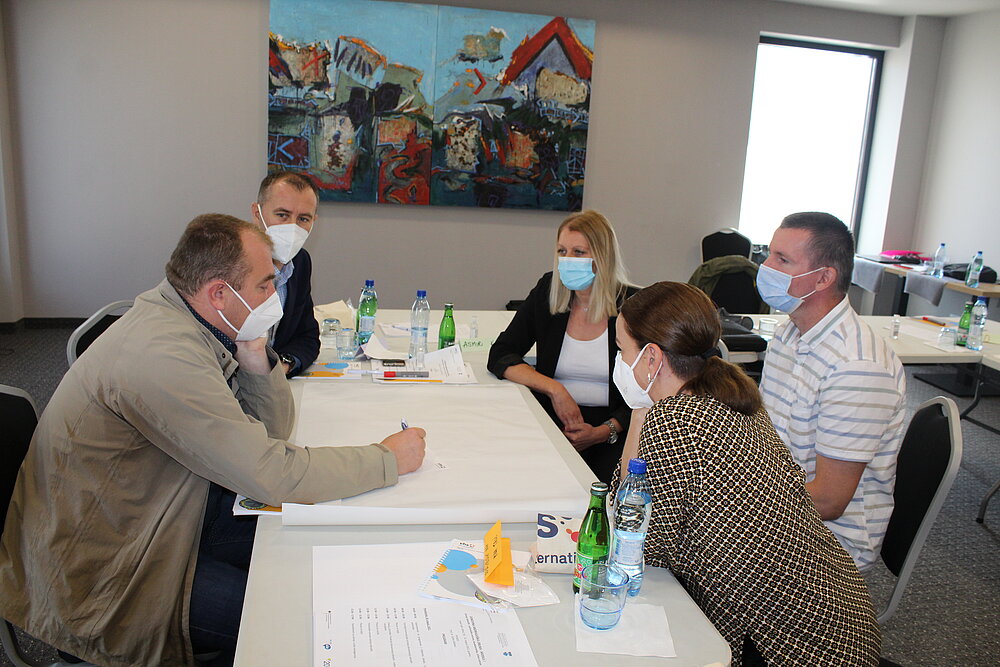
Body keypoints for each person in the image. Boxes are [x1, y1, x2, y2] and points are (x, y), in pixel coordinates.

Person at [0, 214, 426, 667]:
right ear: (219, 293)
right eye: (264, 285)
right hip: (110, 573)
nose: (273, 298)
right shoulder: (162, 354)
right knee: (299, 618)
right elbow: (271, 472)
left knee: (318, 537)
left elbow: (271, 433)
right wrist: (386, 459)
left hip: (161, 516)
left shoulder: (191, 321)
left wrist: (255, 351)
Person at [612, 281, 880, 666]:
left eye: (622, 349)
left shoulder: (675, 422)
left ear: (652, 357)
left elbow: (637, 546)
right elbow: (637, 501)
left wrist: (642, 412)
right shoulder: (731, 394)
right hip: (837, 612)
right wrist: (642, 406)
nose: (620, 361)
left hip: (787, 644)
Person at [757, 212, 906, 571]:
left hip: (826, 547)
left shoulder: (856, 366)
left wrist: (735, 506)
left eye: (782, 260)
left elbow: (828, 500)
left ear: (824, 278)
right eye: (769, 254)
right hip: (783, 510)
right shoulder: (788, 334)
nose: (766, 268)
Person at [488, 210, 637, 482]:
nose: (567, 260)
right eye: (562, 251)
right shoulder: (549, 290)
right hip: (552, 422)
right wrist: (555, 389)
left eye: (578, 252)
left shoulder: (633, 306)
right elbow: (501, 353)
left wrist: (604, 431)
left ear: (602, 256)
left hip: (613, 431)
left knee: (600, 493)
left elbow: (649, 389)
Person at [252, 170, 320, 378]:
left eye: (303, 219)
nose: (292, 227)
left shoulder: (300, 262)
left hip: (275, 383)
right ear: (257, 214)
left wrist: (283, 366)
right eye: (282, 215)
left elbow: (307, 336)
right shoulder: (228, 264)